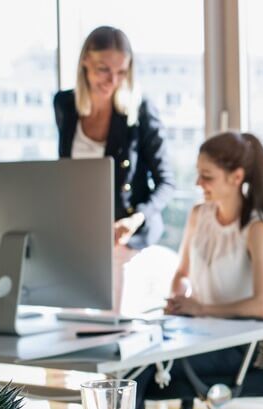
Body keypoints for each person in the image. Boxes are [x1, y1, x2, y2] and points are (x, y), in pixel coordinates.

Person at [132, 131, 263, 409]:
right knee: (129, 359)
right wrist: (178, 300)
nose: (198, 184)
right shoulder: (198, 215)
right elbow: (182, 273)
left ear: (236, 177)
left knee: (136, 373)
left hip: (238, 346)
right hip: (196, 334)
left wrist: (202, 309)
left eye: (207, 176)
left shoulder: (256, 229)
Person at [53, 26, 173, 310]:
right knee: (69, 318)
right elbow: (65, 173)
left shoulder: (139, 111)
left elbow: (166, 182)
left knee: (112, 318)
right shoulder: (65, 105)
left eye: (121, 72)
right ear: (85, 62)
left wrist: (136, 219)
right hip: (81, 230)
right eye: (103, 69)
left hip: (126, 232)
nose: (112, 80)